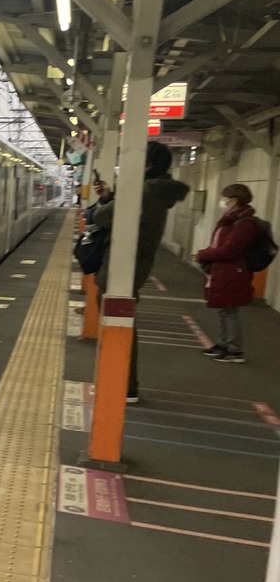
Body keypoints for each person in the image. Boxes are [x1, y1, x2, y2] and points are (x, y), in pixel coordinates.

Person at [91, 142, 191, 403]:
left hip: (124, 266)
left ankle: (123, 385)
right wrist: (110, 196)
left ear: (147, 165)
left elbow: (102, 217)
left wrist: (108, 203)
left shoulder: (144, 192)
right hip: (133, 264)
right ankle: (123, 382)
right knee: (119, 319)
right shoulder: (154, 192)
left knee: (118, 322)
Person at [193, 183, 258, 363]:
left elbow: (229, 250)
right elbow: (218, 245)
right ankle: (223, 344)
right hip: (222, 270)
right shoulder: (229, 219)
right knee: (223, 308)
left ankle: (234, 350)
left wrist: (202, 255)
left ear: (234, 200)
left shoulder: (245, 223)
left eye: (225, 198)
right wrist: (205, 254)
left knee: (229, 310)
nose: (222, 201)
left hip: (233, 272)